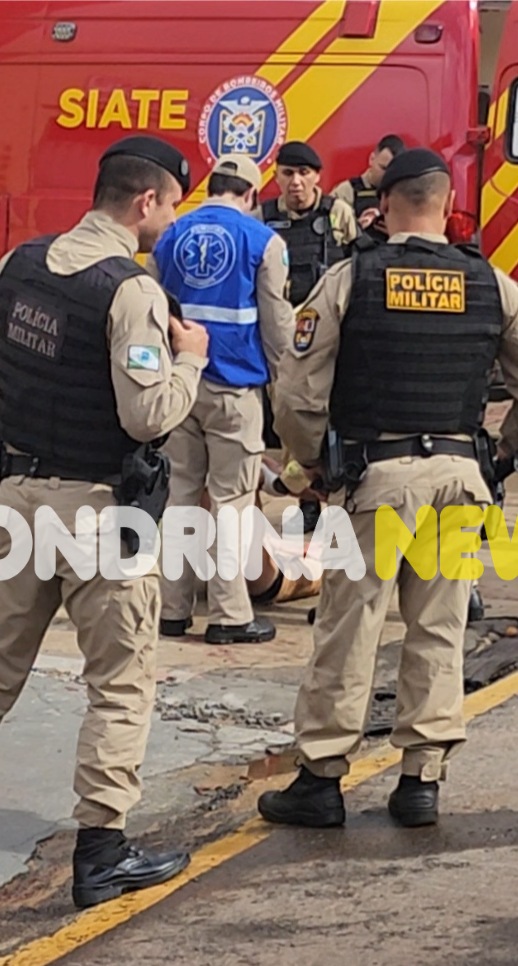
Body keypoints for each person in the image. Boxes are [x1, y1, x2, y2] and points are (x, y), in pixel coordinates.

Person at [0, 135, 209, 909]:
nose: (168, 221)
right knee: (121, 682)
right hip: (99, 513)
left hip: (16, 501)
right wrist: (190, 358)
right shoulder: (130, 291)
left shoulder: (22, 263)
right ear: (144, 203)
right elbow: (146, 416)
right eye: (170, 206)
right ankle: (102, 850)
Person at [257, 149, 518, 830]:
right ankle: (421, 778)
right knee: (440, 625)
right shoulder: (491, 283)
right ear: (447, 203)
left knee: (350, 626)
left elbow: (297, 392)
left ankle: (322, 779)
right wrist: (504, 451)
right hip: (460, 480)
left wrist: (313, 466)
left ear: (387, 205)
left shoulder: (351, 278)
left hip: (379, 480)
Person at [152, 154, 293, 644]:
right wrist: (287, 392)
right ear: (252, 195)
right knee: (231, 501)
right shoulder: (264, 240)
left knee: (179, 496)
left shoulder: (170, 234)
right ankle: (230, 616)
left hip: (180, 381)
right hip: (235, 389)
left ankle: (171, 610)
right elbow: (277, 328)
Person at [258, 141, 358, 531]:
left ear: (317, 176)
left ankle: (333, 494)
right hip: (284, 335)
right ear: (277, 177)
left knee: (333, 415)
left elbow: (355, 265)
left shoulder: (338, 214)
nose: (295, 182)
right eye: (287, 174)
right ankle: (306, 499)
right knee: (292, 420)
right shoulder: (263, 217)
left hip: (329, 331)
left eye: (303, 173)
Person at [330, 134, 406, 232]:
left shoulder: (404, 194)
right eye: (383, 168)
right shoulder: (347, 191)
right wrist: (356, 227)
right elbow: (329, 225)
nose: (387, 175)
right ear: (372, 159)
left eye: (393, 171)